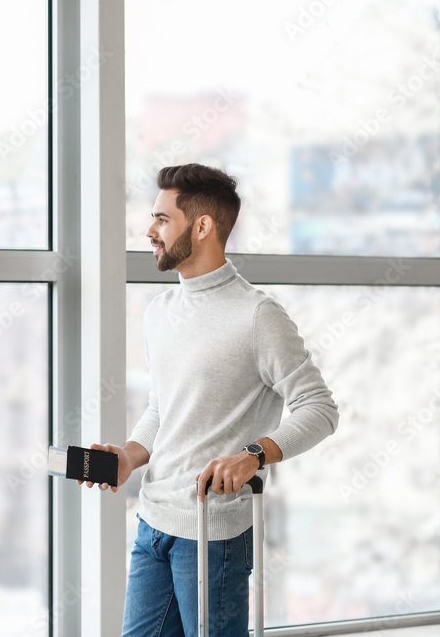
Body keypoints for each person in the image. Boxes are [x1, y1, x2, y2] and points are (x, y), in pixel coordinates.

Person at [79, 162, 340, 636]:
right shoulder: (159, 313)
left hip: (213, 532)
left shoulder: (257, 315)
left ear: (202, 227)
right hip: (153, 523)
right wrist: (128, 457)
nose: (149, 231)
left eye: (162, 219)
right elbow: (163, 408)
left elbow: (320, 408)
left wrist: (254, 454)